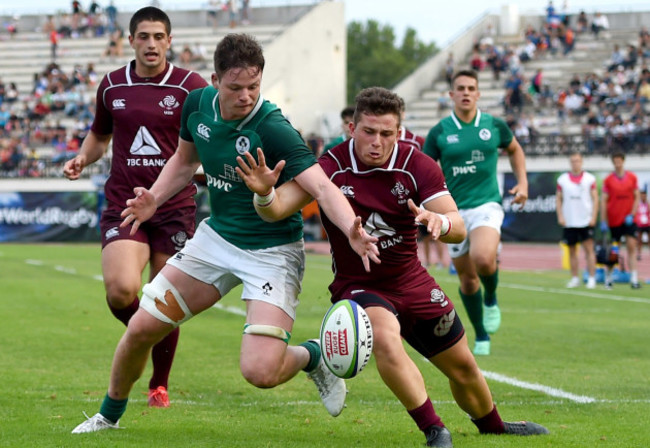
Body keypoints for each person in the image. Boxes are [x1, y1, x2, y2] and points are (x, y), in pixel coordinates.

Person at [71, 33, 380, 434]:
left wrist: (352, 229)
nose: (247, 95)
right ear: (215, 81)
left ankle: (313, 357)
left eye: (254, 86)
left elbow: (321, 186)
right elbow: (184, 160)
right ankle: (107, 417)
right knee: (141, 328)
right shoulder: (197, 104)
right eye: (236, 87)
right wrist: (155, 199)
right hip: (215, 241)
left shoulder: (273, 127)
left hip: (273, 253)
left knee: (260, 371)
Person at [236, 87, 548, 447]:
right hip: (359, 285)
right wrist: (264, 193)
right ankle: (434, 429)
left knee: (462, 367)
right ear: (352, 128)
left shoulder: (417, 165)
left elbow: (457, 224)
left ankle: (493, 426)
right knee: (384, 337)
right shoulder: (330, 167)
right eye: (369, 131)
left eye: (387, 134)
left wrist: (439, 222)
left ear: (399, 133)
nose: (377, 142)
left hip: (412, 280)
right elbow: (276, 209)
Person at [63, 6, 208, 410]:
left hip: (173, 206)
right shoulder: (112, 86)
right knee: (121, 291)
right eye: (143, 36)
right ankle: (143, 337)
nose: (151, 44)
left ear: (169, 41)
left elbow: (203, 143)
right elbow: (99, 136)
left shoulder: (189, 87)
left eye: (158, 36)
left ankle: (158, 384)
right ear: (130, 40)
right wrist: (81, 158)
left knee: (166, 299)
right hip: (124, 202)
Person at [423, 69, 529, 356]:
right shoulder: (440, 131)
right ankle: (481, 334)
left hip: (486, 204)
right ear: (452, 95)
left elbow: (515, 149)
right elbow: (423, 168)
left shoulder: (493, 125)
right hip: (454, 212)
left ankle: (492, 297)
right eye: (461, 88)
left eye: (471, 88)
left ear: (478, 93)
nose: (466, 92)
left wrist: (522, 183)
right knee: (467, 280)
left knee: (484, 258)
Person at [556, 151, 598, 289]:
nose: (576, 163)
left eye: (578, 160)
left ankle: (592, 278)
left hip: (585, 220)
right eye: (573, 161)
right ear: (570, 162)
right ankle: (574, 277)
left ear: (582, 162)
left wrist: (593, 217)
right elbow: (558, 198)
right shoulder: (562, 180)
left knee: (589, 250)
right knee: (572, 251)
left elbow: (595, 198)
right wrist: (560, 216)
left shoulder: (589, 179)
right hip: (570, 220)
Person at [600, 151, 641, 289]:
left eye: (619, 160)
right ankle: (609, 277)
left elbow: (637, 197)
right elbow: (604, 201)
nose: (618, 163)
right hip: (614, 220)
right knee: (614, 251)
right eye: (615, 160)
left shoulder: (632, 178)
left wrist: (633, 213)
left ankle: (634, 278)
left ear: (623, 161)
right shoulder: (608, 180)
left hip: (629, 220)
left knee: (631, 246)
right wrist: (603, 220)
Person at [635, 185, 649, 260]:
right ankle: (639, 254)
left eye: (644, 195)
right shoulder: (638, 204)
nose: (643, 196)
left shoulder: (648, 204)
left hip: (648, 224)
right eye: (642, 195)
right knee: (639, 240)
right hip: (640, 225)